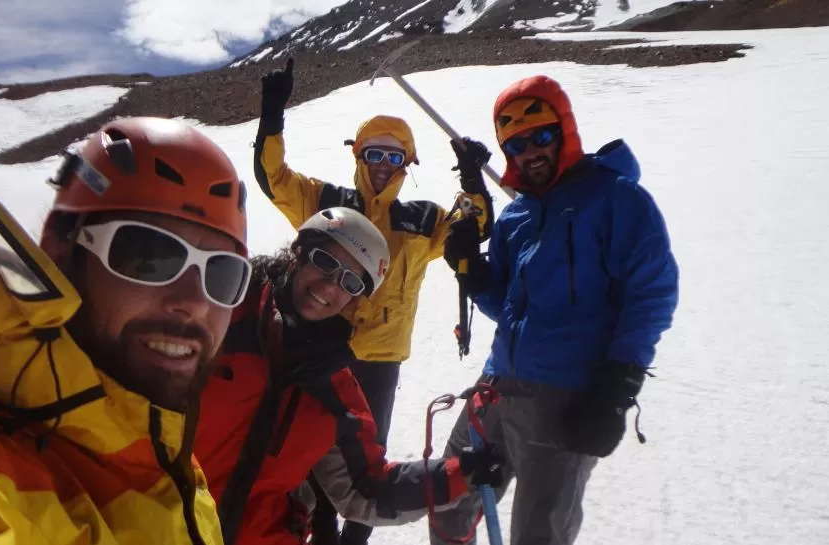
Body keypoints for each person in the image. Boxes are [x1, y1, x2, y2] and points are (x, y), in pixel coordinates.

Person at [0, 117, 252, 544]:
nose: (195, 303)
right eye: (149, 256)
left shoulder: (175, 467)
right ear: (60, 254)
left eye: (224, 274)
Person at [253, 58, 495, 545]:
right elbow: (273, 176)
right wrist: (272, 118)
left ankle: (354, 540)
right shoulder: (327, 201)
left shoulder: (425, 219)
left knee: (369, 458)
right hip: (318, 353)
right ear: (358, 156)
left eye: (395, 157)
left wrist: (473, 182)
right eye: (374, 155)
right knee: (308, 447)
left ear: (408, 164)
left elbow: (472, 229)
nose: (383, 167)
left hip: (381, 361)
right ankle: (317, 530)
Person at [431, 75, 680, 545]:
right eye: (517, 144)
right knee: (447, 501)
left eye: (541, 136)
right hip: (497, 384)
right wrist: (474, 275)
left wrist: (616, 387)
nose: (530, 152)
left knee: (538, 534)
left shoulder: (617, 199)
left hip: (565, 398)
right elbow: (508, 308)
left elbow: (653, 293)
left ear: (565, 129)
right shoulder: (516, 217)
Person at [195, 206, 502, 545]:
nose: (329, 287)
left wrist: (461, 474)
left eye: (350, 282)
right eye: (326, 262)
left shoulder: (333, 389)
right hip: (159, 524)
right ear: (300, 253)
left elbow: (367, 488)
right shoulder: (223, 314)